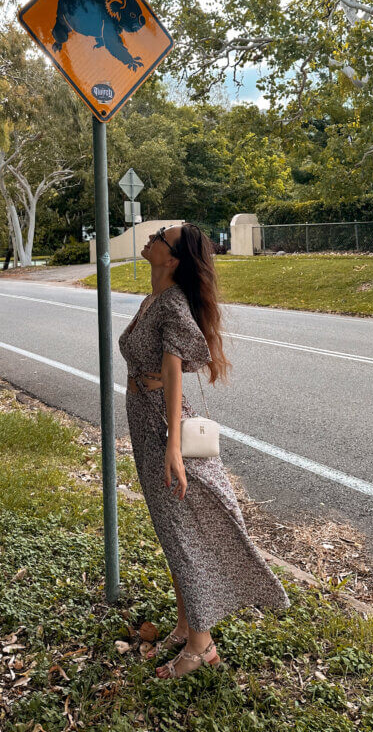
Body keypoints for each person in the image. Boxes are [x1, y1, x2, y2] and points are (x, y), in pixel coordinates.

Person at [118, 223, 290, 679]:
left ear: (172, 258)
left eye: (160, 236)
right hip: (146, 420)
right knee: (171, 530)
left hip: (161, 424)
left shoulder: (172, 303)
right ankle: (185, 623)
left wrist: (173, 446)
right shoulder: (153, 298)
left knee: (182, 529)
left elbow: (174, 375)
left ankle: (201, 645)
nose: (151, 237)